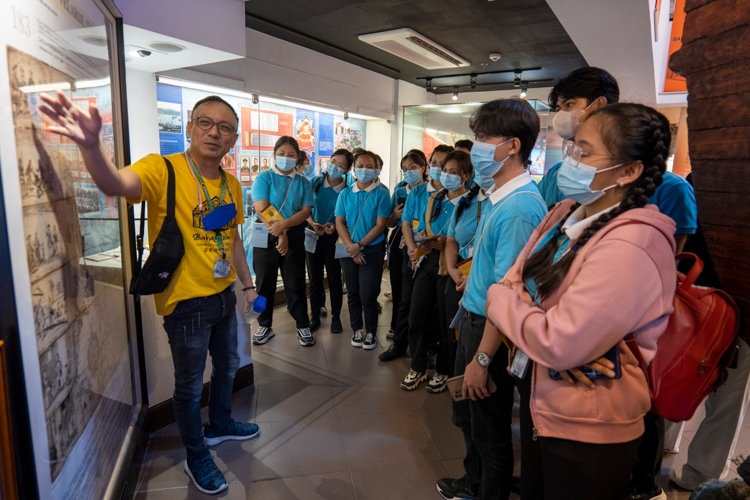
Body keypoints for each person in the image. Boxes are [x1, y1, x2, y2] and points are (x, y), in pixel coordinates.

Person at [39, 92, 260, 494]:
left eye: (225, 127)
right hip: (186, 301)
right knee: (191, 386)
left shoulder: (231, 184)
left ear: (233, 138)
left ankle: (222, 423)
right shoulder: (164, 169)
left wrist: (247, 284)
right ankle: (197, 455)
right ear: (190, 126)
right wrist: (90, 146)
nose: (214, 132)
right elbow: (116, 182)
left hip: (223, 294)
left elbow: (234, 241)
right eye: (205, 122)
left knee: (228, 367)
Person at [484, 103, 677, 500]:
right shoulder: (566, 212)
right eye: (572, 148)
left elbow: (557, 341)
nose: (570, 161)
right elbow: (513, 280)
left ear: (629, 171)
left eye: (584, 153)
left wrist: (503, 302)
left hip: (591, 425)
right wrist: (534, 324)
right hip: (547, 404)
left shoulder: (632, 244)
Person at [436, 99, 547, 500]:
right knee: (470, 417)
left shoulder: (519, 207)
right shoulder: (497, 196)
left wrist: (482, 359)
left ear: (513, 146)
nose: (477, 147)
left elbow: (512, 295)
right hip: (475, 318)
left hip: (491, 332)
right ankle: (474, 482)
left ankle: (489, 491)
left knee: (488, 426)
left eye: (485, 138)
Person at [404, 150, 472, 393]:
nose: (445, 175)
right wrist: (423, 238)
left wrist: (449, 242)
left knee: (446, 323)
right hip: (429, 261)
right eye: (443, 170)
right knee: (417, 317)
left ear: (465, 176)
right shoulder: (435, 198)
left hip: (452, 268)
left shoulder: (471, 204)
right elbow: (420, 227)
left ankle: (444, 369)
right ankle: (418, 366)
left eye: (452, 171)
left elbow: (472, 239)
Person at [380, 144, 454, 364]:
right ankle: (400, 343)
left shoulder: (455, 195)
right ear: (428, 166)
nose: (438, 168)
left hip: (441, 256)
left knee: (434, 308)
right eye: (435, 163)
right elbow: (405, 223)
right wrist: (412, 250)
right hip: (412, 254)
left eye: (444, 164)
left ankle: (429, 348)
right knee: (406, 302)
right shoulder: (418, 192)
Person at [251, 136, 315, 347]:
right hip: (266, 232)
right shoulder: (264, 177)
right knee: (263, 284)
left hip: (294, 234)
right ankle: (264, 325)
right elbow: (262, 207)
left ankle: (302, 325)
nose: (286, 158)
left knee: (295, 282)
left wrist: (285, 228)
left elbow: (305, 211)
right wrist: (281, 233)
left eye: (291, 155)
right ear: (274, 155)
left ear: (297, 157)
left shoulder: (303, 182)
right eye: (281, 154)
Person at [539, 67, 620, 207]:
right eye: (558, 109)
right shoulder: (556, 173)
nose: (561, 115)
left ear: (599, 105)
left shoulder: (647, 180)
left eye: (569, 105)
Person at [335, 151, 392, 349]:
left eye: (370, 166)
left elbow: (380, 225)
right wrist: (352, 246)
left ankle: (372, 332)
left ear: (376, 169)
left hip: (371, 250)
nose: (365, 170)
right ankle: (357, 329)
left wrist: (359, 246)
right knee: (352, 293)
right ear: (354, 169)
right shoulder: (345, 193)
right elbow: (339, 221)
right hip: (348, 250)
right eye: (361, 165)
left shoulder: (382, 193)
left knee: (367, 294)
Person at [443, 171, 492, 378]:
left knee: (478, 339)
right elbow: (452, 241)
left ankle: (478, 373)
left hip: (482, 282)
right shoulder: (465, 202)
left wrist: (472, 278)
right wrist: (454, 272)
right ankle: (454, 376)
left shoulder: (503, 203)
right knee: (455, 335)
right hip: (458, 278)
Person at [306, 149, 353, 334]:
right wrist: (312, 223)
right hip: (313, 234)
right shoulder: (314, 182)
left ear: (347, 170)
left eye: (340, 165)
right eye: (333, 162)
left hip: (335, 237)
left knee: (334, 278)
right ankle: (315, 316)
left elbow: (349, 216)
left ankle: (336, 318)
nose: (334, 167)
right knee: (315, 278)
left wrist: (336, 227)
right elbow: (305, 209)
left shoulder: (348, 191)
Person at [385, 151, 427, 338]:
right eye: (404, 169)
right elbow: (389, 222)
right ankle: (396, 328)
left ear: (423, 167)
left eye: (412, 168)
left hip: (422, 241)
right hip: (398, 240)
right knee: (398, 285)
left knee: (417, 291)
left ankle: (415, 332)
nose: (408, 172)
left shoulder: (429, 191)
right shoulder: (400, 190)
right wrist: (394, 216)